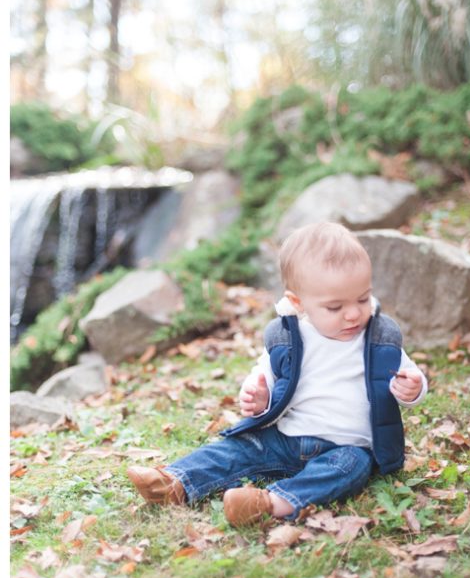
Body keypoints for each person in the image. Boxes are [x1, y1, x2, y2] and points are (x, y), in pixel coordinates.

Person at [126, 222, 427, 526]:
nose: (352, 313)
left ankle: (271, 502)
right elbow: (265, 375)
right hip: (285, 440)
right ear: (298, 303)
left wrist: (413, 388)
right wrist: (258, 397)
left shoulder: (378, 338)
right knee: (237, 449)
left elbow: (407, 373)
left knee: (352, 469)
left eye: (362, 299)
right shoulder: (288, 337)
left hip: (345, 447)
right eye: (335, 307)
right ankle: (175, 482)